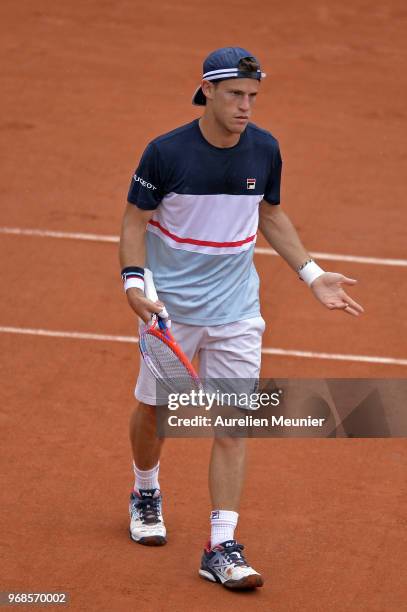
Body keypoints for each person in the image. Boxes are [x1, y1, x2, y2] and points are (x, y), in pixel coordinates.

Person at [119, 46, 364, 590]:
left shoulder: (264, 150)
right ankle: (145, 486)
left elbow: (270, 215)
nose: (246, 106)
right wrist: (134, 283)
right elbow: (136, 222)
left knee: (234, 424)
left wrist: (310, 273)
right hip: (170, 309)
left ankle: (220, 545)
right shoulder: (166, 152)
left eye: (253, 96)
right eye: (235, 95)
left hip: (236, 310)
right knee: (155, 409)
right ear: (207, 89)